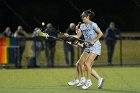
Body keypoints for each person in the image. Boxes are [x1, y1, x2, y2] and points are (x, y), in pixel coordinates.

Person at [66, 9, 104, 90]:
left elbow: (101, 33)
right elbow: (78, 36)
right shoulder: (82, 26)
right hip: (88, 47)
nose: (82, 18)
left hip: (95, 46)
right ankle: (82, 79)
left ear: (88, 17)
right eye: (82, 16)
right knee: (79, 63)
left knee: (87, 64)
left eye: (83, 16)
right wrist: (69, 35)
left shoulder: (93, 24)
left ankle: (88, 81)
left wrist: (94, 40)